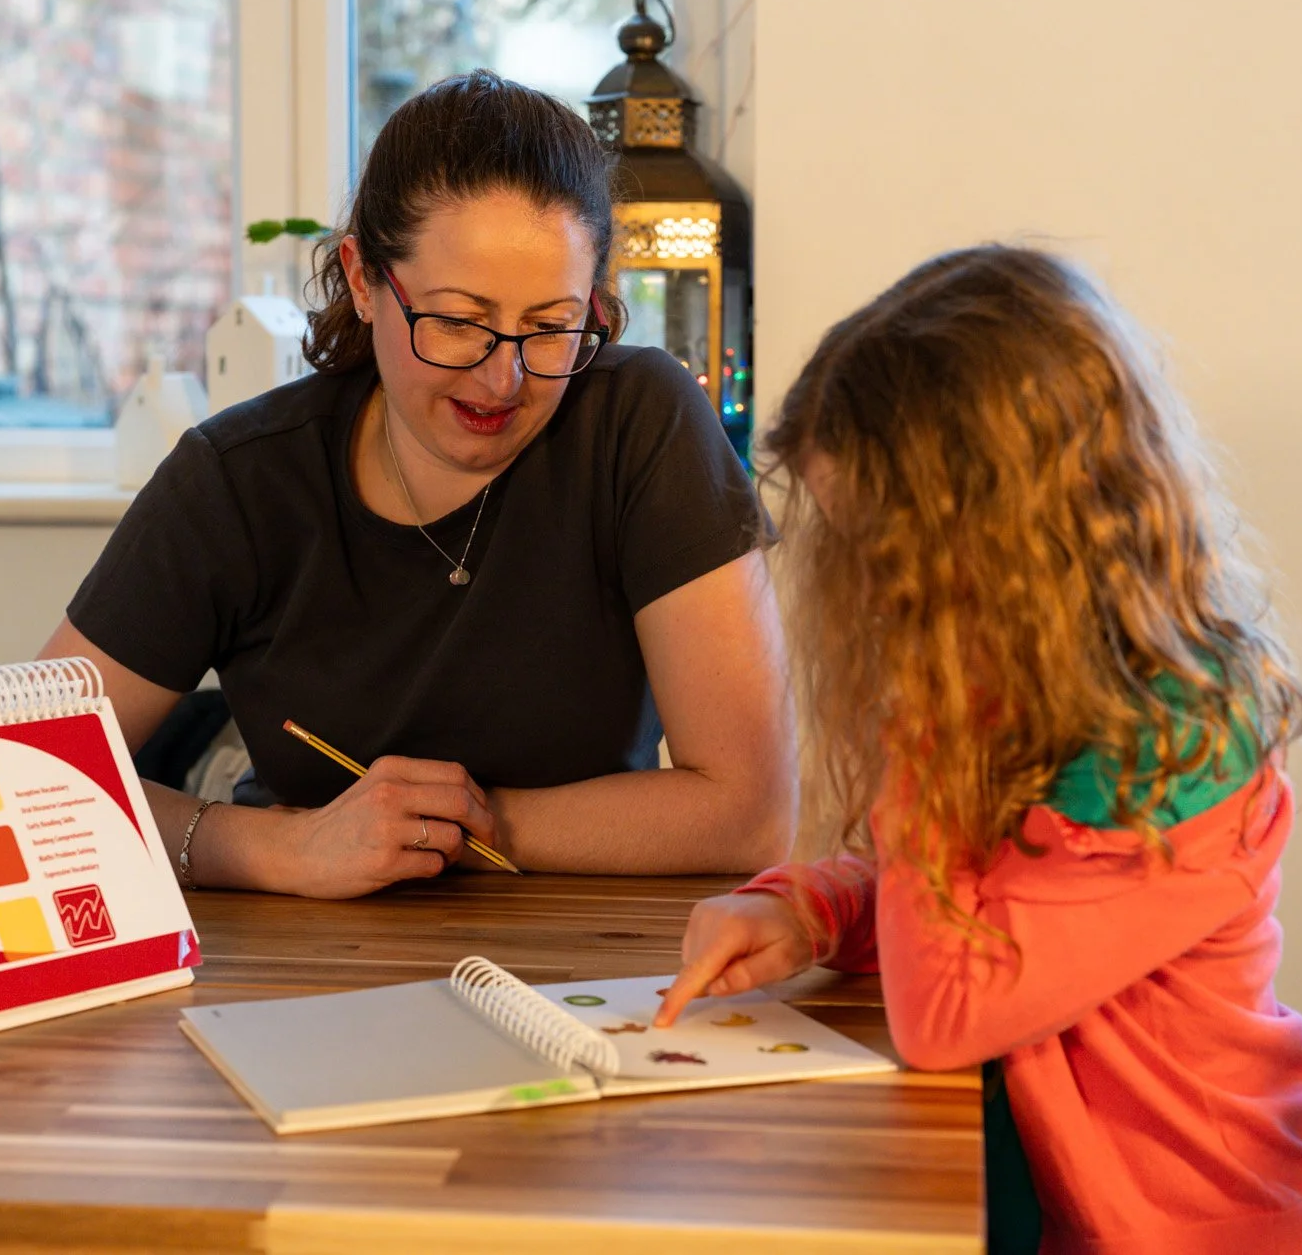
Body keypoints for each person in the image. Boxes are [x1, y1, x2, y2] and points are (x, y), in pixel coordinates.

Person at [655, 247, 1302, 1254]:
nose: (871, 601)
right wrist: (810, 912)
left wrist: (918, 712)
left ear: (990, 540)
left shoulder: (1181, 743)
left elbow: (949, 1008)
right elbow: (989, 899)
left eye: (884, 558)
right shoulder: (1045, 684)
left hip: (1201, 1232)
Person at [41, 71, 795, 899]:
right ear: (364, 280)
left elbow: (754, 811)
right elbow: (29, 774)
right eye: (459, 321)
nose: (504, 379)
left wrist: (467, 826)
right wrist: (280, 847)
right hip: (299, 950)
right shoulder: (239, 479)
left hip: (584, 952)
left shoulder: (639, 423)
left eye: (550, 326)